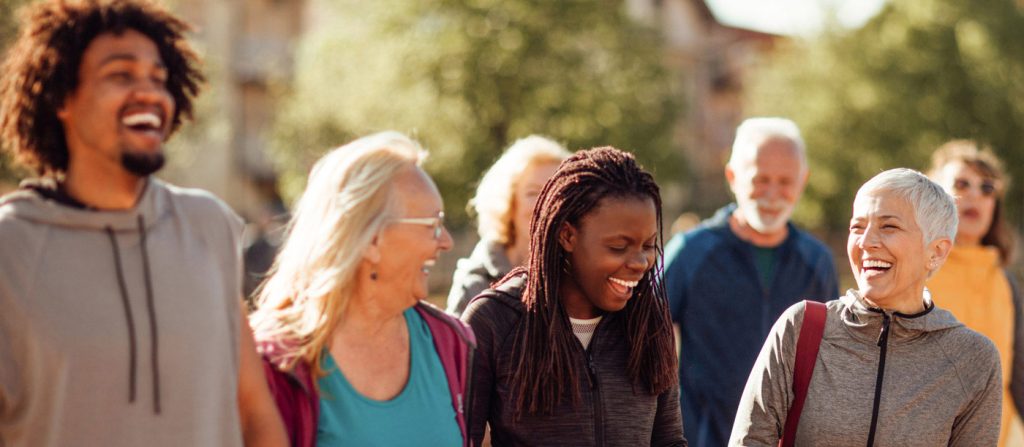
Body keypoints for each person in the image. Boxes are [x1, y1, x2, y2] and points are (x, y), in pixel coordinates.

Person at [0, 1, 287, 446]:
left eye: (159, 78)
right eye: (121, 75)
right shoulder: (10, 247)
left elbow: (253, 410)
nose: (150, 92)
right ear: (61, 98)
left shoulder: (209, 225)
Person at [731, 168, 1002, 446]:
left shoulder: (973, 359)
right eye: (857, 227)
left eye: (889, 226)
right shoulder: (801, 327)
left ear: (936, 251)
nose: (866, 242)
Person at [249, 131, 475, 447]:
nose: (446, 242)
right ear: (371, 238)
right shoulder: (273, 362)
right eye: (432, 224)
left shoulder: (452, 342)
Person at [463, 147, 687, 446]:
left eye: (648, 246)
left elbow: (669, 441)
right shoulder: (494, 320)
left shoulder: (649, 321)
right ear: (567, 236)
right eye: (619, 247)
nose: (640, 263)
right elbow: (461, 438)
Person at [662, 117, 837, 446]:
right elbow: (641, 338)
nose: (772, 193)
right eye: (760, 179)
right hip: (702, 437)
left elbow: (834, 360)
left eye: (785, 181)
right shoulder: (690, 252)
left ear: (803, 181)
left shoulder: (818, 261)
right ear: (733, 177)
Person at [927, 140, 1024, 447]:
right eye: (961, 184)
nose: (974, 196)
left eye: (986, 188)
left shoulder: (1006, 283)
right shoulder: (915, 270)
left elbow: (1018, 375)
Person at [446, 135, 569, 315]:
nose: (546, 202)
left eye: (556, 192)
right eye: (533, 192)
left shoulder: (581, 274)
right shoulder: (475, 282)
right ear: (509, 201)